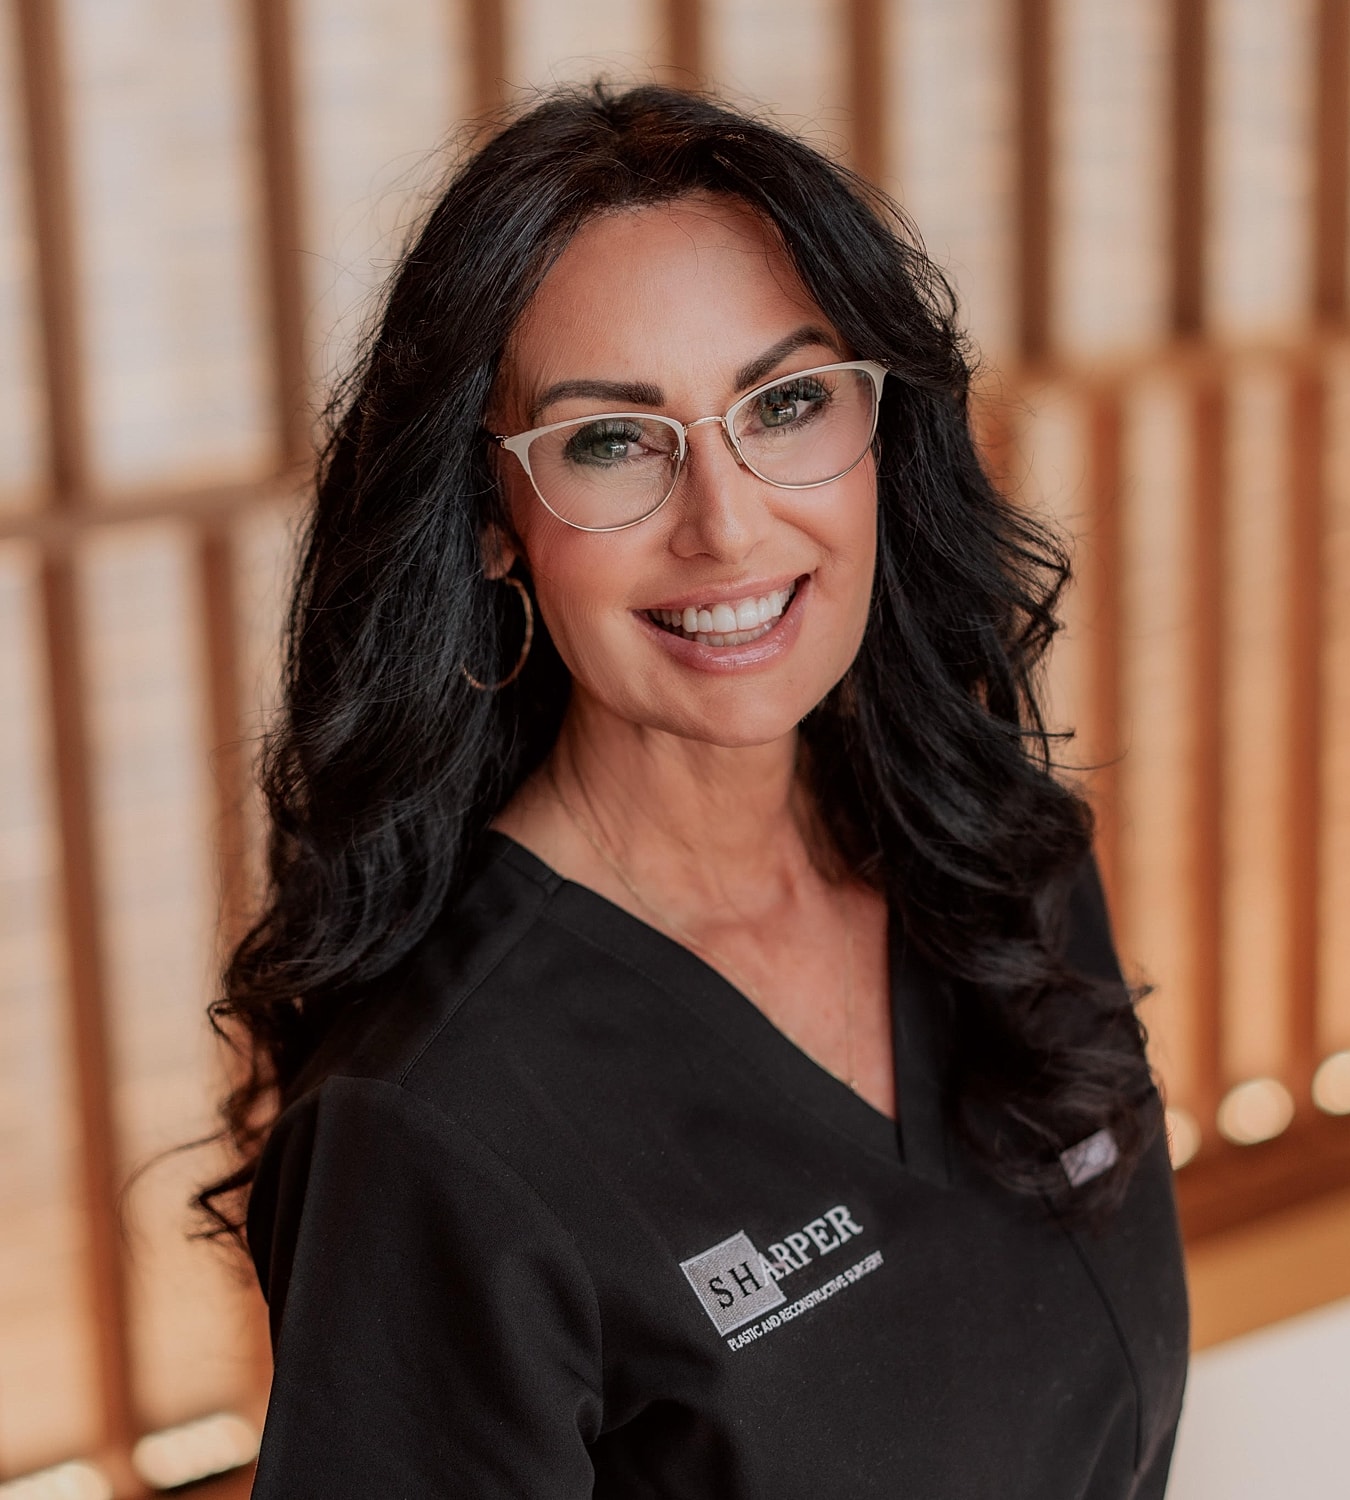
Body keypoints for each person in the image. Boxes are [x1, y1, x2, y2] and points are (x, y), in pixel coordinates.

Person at [201, 82, 1187, 1498]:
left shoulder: (1001, 867)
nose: (725, 526)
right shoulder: (431, 1127)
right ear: (490, 518)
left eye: (786, 405)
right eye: (611, 441)